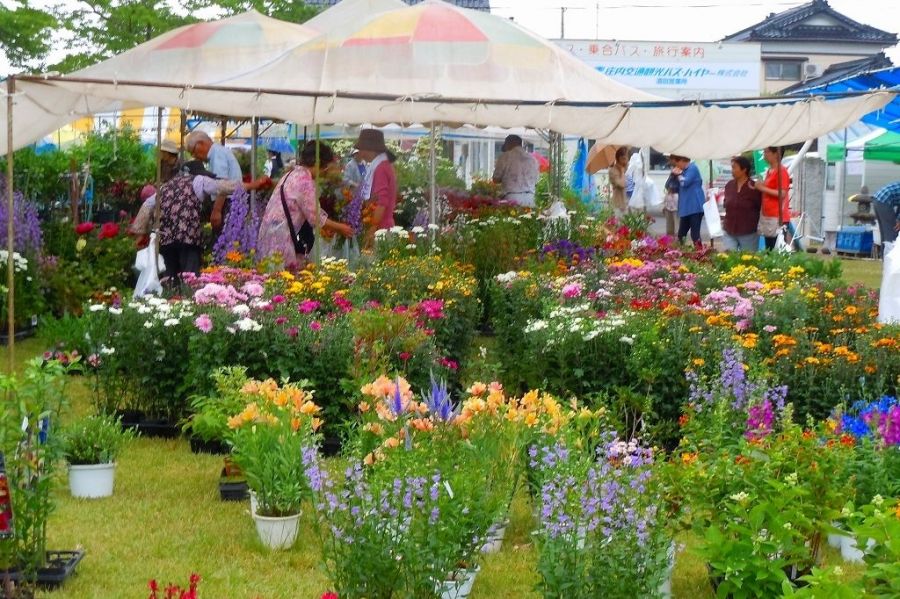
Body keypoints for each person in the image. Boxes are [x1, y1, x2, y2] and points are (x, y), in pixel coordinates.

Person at [257, 141, 353, 270]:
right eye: (326, 168)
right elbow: (315, 217)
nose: (325, 172)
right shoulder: (304, 181)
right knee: (281, 281)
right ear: (318, 163)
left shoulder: (292, 174)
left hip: (270, 234)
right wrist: (341, 228)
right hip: (281, 239)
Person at [157, 160, 235, 284]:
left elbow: (147, 206)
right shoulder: (197, 180)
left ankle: (169, 300)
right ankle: (189, 299)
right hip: (188, 238)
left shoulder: (164, 187)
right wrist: (250, 185)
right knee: (191, 278)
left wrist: (140, 232)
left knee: (169, 278)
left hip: (166, 241)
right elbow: (221, 187)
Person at [128, 139, 181, 241]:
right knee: (151, 206)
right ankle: (143, 233)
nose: (160, 154)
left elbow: (180, 181)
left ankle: (140, 234)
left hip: (176, 191)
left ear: (168, 153)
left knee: (148, 204)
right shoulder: (162, 163)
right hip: (164, 190)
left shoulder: (179, 165)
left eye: (162, 152)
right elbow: (159, 178)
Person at [354, 129, 399, 238]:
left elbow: (382, 202)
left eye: (360, 149)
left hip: (381, 229)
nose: (359, 152)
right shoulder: (383, 165)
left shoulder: (380, 168)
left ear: (368, 149)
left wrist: (372, 228)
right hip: (383, 226)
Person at [751, 146, 791, 250]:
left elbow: (782, 193)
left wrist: (762, 188)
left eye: (766, 152)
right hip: (768, 216)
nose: (764, 154)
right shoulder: (770, 170)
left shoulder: (781, 171)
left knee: (777, 248)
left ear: (776, 154)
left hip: (778, 217)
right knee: (769, 248)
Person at [721, 156, 762, 252]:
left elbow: (761, 207)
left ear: (744, 170)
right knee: (729, 259)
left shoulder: (754, 187)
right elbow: (726, 203)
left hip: (748, 231)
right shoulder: (729, 185)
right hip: (729, 229)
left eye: (734, 167)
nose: (732, 170)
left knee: (748, 262)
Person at [492, 134, 539, 207]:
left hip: (512, 198)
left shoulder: (505, 156)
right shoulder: (532, 159)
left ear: (509, 143)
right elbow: (536, 181)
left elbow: (496, 179)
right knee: (529, 218)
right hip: (530, 198)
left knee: (511, 218)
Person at [671, 155, 705, 250]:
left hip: (695, 206)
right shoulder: (683, 171)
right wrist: (674, 176)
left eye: (677, 164)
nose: (676, 166)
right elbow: (671, 186)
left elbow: (684, 183)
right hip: (686, 207)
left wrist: (678, 174)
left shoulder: (692, 168)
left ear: (682, 161)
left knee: (695, 234)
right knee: (681, 234)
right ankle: (679, 253)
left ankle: (700, 254)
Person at [608, 146, 629, 216]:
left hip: (624, 203)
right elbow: (622, 184)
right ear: (620, 158)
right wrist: (622, 172)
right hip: (617, 205)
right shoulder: (613, 171)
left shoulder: (623, 168)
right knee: (617, 225)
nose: (627, 160)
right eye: (625, 158)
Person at [662, 155, 680, 237]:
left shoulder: (679, 171)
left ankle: (678, 244)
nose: (669, 161)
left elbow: (672, 186)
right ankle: (670, 244)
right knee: (669, 227)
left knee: (676, 225)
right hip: (669, 202)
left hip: (676, 201)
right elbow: (667, 185)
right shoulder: (673, 171)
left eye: (670, 159)